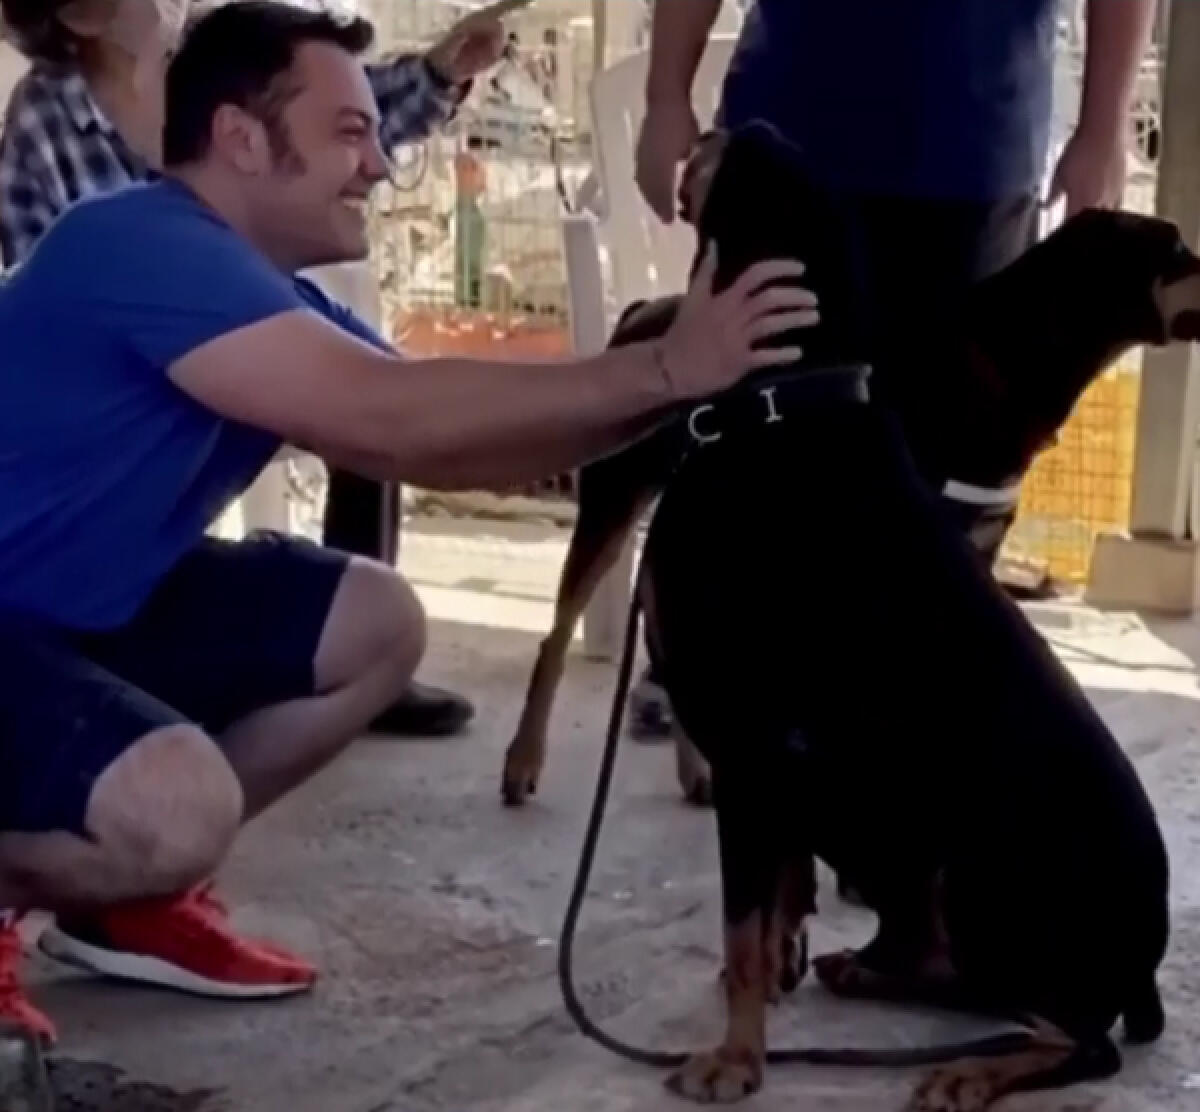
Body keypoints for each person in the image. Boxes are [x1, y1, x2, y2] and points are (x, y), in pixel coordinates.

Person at [0, 0, 814, 1045]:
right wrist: (664, 363)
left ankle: (126, 898)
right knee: (177, 804)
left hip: (76, 614)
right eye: (350, 131)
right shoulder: (142, 244)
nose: (381, 164)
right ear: (242, 140)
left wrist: (675, 388)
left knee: (377, 620)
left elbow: (443, 434)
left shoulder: (260, 286)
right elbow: (395, 419)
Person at [624, 0, 1155, 743]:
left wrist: (1103, 129)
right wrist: (664, 98)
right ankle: (706, 666)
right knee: (751, 437)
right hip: (787, 146)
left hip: (975, 156)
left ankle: (908, 694)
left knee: (951, 461)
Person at [0, 0, 503, 740]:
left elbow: (330, 132)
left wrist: (435, 74)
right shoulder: (44, 123)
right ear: (76, 15)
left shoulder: (202, 68)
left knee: (366, 400)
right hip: (137, 389)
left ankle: (325, 657)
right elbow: (43, 274)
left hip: (238, 344)